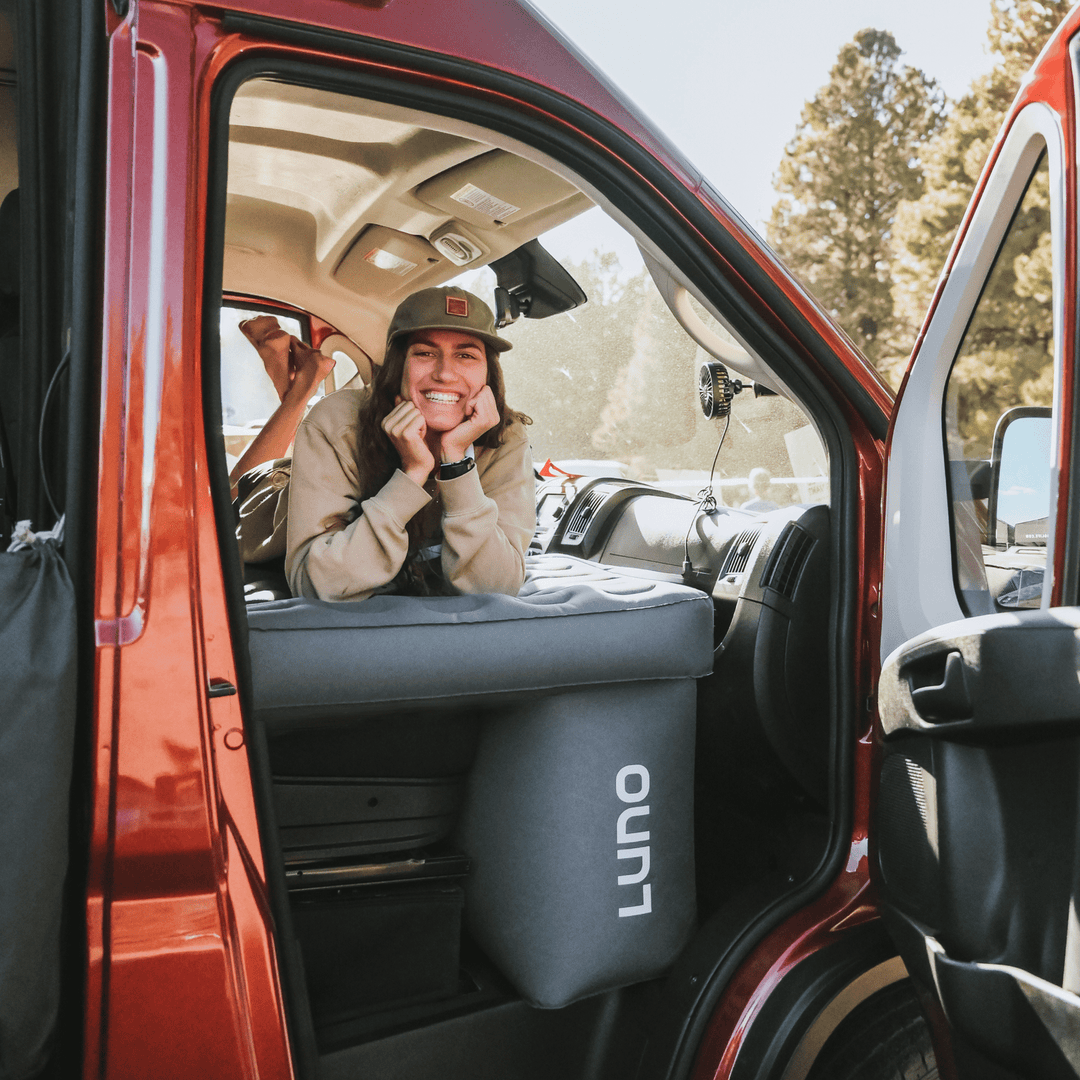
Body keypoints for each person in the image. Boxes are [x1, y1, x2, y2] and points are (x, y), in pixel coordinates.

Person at [278, 286, 534, 602]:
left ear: (488, 374)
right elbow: (315, 587)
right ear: (398, 365)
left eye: (466, 355)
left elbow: (497, 590)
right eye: (425, 353)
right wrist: (412, 475)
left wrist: (457, 464)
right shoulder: (336, 422)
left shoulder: (507, 436)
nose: (444, 374)